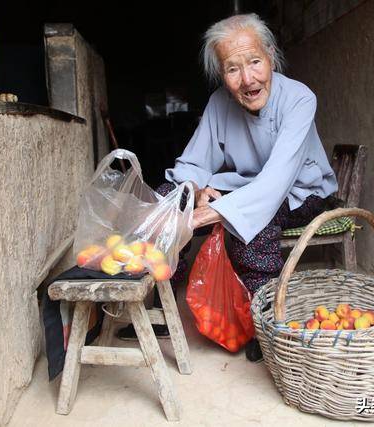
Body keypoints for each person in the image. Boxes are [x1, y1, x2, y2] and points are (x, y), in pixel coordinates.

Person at [119, 13, 338, 362]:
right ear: (221, 73)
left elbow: (276, 181)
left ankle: (267, 326)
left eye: (254, 62)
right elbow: (194, 161)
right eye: (232, 69)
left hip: (300, 191)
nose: (247, 79)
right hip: (243, 187)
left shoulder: (299, 99)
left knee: (251, 225)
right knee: (166, 196)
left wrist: (209, 214)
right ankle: (158, 305)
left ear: (270, 56)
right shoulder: (221, 101)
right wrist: (191, 190)